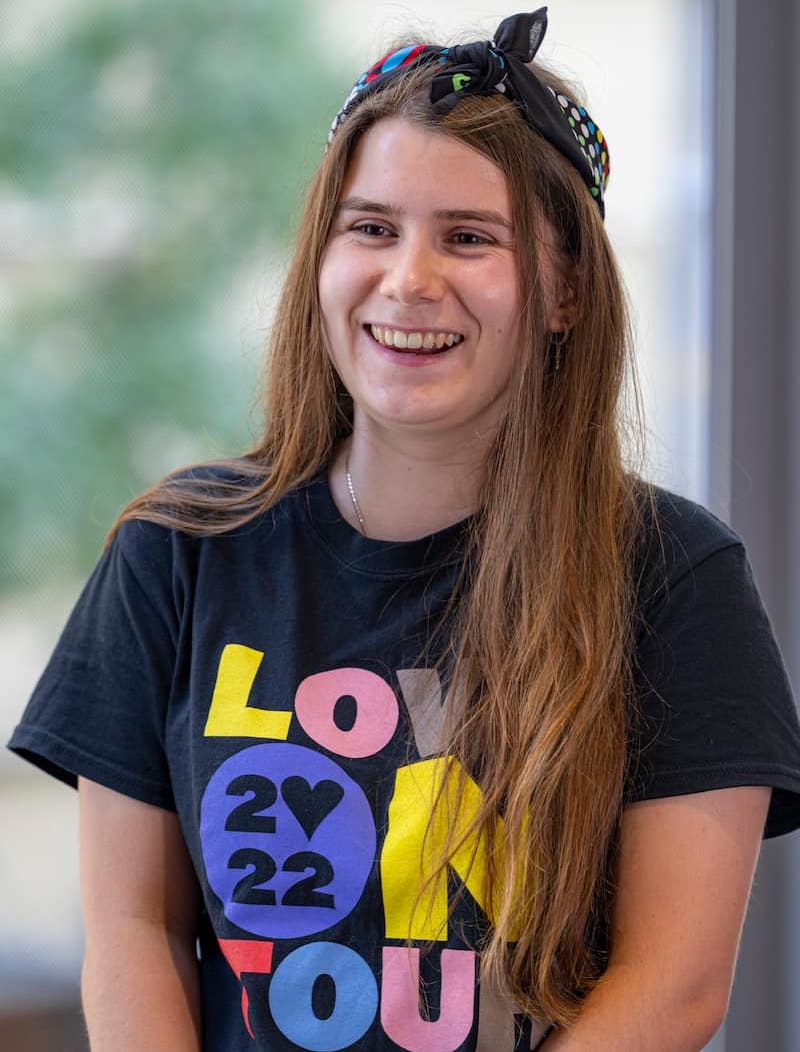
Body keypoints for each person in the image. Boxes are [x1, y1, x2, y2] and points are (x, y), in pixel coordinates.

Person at [9, 8, 800, 1051]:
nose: (407, 278)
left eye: (468, 237)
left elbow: (674, 984)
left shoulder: (673, 577)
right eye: (370, 227)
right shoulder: (175, 553)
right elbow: (132, 928)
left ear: (564, 288)